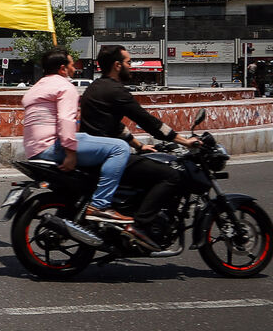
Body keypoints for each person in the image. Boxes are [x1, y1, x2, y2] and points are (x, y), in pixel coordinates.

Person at [80, 45, 199, 249]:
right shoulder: (116, 91)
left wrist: (138, 145)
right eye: (128, 62)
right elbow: (147, 121)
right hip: (108, 155)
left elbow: (111, 125)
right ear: (117, 65)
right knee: (171, 176)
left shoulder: (96, 87)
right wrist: (184, 141)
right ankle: (141, 227)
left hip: (97, 151)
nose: (131, 66)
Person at [22, 49, 143, 242]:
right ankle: (100, 206)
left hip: (35, 150)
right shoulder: (64, 87)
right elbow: (66, 120)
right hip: (55, 147)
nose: (74, 68)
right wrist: (71, 152)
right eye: (71, 65)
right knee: (119, 148)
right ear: (62, 68)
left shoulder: (36, 88)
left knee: (89, 138)